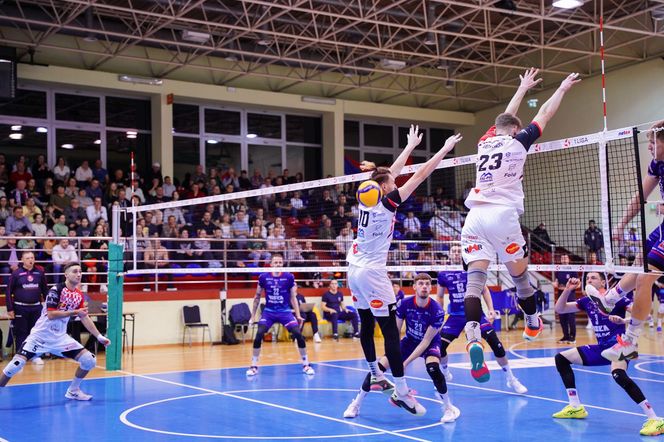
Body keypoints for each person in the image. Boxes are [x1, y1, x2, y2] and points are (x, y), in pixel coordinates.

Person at [460, 69, 580, 380]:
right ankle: (530, 317)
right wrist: (563, 89)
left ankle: (473, 338)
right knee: (520, 275)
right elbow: (544, 113)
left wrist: (522, 88)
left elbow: (506, 117)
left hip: (473, 218)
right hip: (503, 216)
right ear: (514, 130)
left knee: (475, 282)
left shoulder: (484, 142)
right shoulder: (518, 141)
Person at [346, 124, 462, 416]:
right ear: (385, 188)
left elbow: (388, 175)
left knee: (366, 325)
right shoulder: (387, 204)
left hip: (353, 269)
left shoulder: (366, 199)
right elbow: (420, 175)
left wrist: (409, 147)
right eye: (392, 183)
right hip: (372, 273)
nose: (395, 184)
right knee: (389, 334)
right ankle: (401, 391)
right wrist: (445, 150)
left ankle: (375, 373)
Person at [553, 274, 664, 436]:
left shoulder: (618, 299)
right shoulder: (586, 301)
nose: (589, 280)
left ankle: (654, 418)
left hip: (621, 344)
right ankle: (575, 406)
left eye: (593, 278)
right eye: (588, 279)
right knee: (561, 358)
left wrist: (623, 321)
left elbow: (645, 315)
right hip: (601, 348)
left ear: (603, 282)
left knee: (618, 375)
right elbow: (560, 309)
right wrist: (568, 290)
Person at [591, 120, 664, 361]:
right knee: (640, 264)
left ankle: (630, 341)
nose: (650, 147)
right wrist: (620, 225)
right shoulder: (657, 165)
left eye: (654, 142)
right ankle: (610, 298)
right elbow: (640, 197)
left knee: (645, 276)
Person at [344, 273, 460, 423]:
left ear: (431, 288)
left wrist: (403, 364)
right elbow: (395, 333)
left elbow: (425, 342)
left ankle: (448, 407)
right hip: (409, 341)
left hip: (429, 343)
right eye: (420, 284)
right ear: (414, 287)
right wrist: (394, 356)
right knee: (377, 368)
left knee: (433, 368)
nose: (424, 286)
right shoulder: (404, 304)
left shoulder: (437, 311)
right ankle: (356, 404)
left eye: (427, 284)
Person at [0, 262, 111, 400]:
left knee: (89, 360)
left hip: (60, 339)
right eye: (75, 271)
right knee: (15, 365)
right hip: (40, 336)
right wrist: (74, 311)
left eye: (80, 271)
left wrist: (99, 336)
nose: (78, 274)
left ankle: (73, 391)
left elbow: (83, 316)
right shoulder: (56, 290)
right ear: (66, 274)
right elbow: (52, 315)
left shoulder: (78, 294)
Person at [437, 244, 527, 390]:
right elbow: (440, 296)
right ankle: (445, 373)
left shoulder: (472, 269)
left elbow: (485, 291)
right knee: (440, 347)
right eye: (452, 251)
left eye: (457, 250)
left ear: (462, 254)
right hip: (455, 316)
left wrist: (491, 309)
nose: (455, 253)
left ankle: (511, 378)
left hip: (475, 313)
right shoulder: (443, 274)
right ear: (448, 255)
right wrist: (439, 315)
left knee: (496, 344)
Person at [246, 254, 314, 376]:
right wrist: (252, 316)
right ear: (271, 264)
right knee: (259, 334)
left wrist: (298, 315)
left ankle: (306, 364)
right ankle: (254, 365)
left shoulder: (289, 277)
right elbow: (257, 297)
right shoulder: (263, 277)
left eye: (280, 263)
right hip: (269, 313)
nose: (278, 265)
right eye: (276, 263)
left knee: (298, 334)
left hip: (285, 313)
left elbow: (293, 297)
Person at [6, 251, 49, 365]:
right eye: (27, 258)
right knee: (21, 332)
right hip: (20, 307)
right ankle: (21, 357)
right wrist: (10, 309)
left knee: (36, 332)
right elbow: (8, 292)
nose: (30, 260)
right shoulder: (16, 273)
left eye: (32, 257)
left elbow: (45, 291)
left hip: (36, 307)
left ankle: (35, 355)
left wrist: (49, 306)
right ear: (22, 260)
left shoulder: (40, 273)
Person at [554, 254, 578, 344]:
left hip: (570, 295)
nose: (564, 259)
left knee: (570, 316)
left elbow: (577, 283)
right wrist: (555, 284)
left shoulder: (572, 269)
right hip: (561, 295)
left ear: (568, 259)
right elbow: (557, 282)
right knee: (561, 315)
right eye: (562, 258)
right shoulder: (558, 269)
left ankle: (572, 337)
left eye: (565, 257)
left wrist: (567, 288)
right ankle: (565, 336)